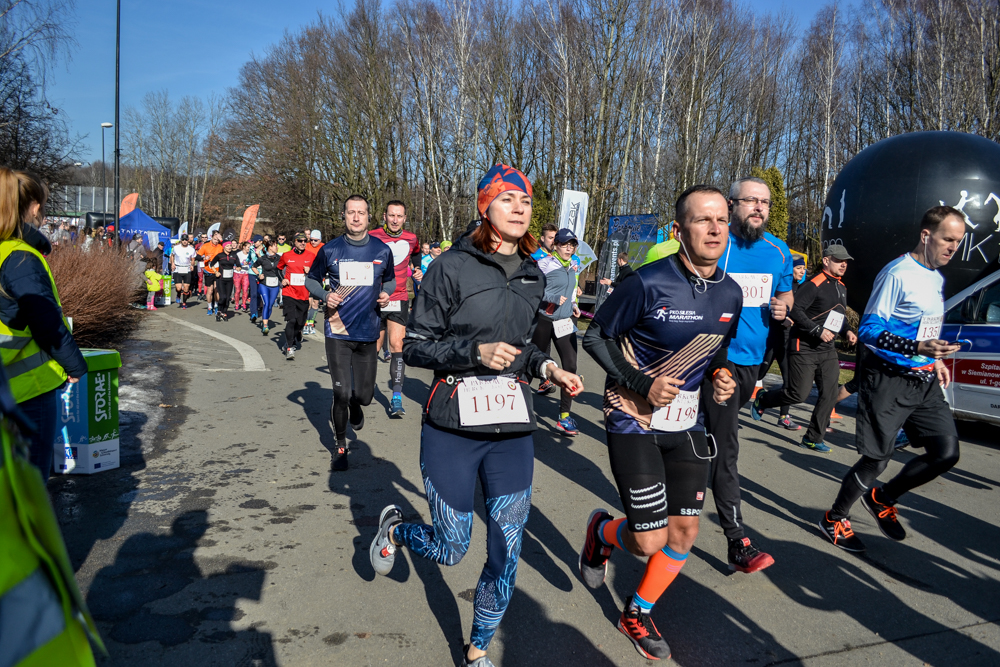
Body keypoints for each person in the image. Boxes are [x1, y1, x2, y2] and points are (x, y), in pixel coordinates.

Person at [368, 165, 583, 667]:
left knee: (507, 547)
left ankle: (477, 648)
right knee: (451, 546)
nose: (519, 208)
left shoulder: (534, 272)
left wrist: (548, 366)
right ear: (485, 206)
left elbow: (525, 347)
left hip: (510, 429)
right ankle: (396, 530)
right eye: (507, 199)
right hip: (453, 425)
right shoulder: (451, 266)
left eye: (525, 201)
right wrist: (475, 354)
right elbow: (415, 347)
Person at [579, 184, 741, 661]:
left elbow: (717, 352)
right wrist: (638, 382)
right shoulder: (647, 283)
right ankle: (602, 533)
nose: (715, 229)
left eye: (721, 221)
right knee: (648, 540)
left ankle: (637, 611)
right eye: (702, 220)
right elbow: (596, 337)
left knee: (685, 532)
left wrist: (723, 375)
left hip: (686, 421)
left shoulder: (730, 291)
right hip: (633, 416)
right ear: (678, 230)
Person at [819, 207, 965, 553]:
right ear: (926, 235)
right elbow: (869, 330)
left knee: (946, 453)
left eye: (958, 242)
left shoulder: (936, 277)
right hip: (888, 379)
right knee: (877, 459)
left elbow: (924, 326)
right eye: (947, 239)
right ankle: (834, 518)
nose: (953, 248)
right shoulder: (898, 273)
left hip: (924, 378)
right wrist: (915, 346)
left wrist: (932, 357)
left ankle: (883, 496)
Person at [698, 176, 794, 574]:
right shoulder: (718, 244)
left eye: (765, 203)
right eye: (750, 201)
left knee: (710, 438)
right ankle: (737, 539)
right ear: (732, 204)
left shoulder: (779, 251)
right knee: (725, 445)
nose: (758, 208)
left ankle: (679, 489)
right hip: (710, 356)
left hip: (753, 360)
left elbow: (786, 293)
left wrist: (783, 308)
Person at [0, 168, 87, 480]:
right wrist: (75, 366)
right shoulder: (20, 258)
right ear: (34, 206)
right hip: (24, 392)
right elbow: (45, 322)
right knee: (27, 487)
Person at [305, 196, 394, 469]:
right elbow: (311, 279)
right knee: (340, 393)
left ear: (369, 217)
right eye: (351, 213)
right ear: (343, 215)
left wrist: (385, 294)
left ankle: (357, 405)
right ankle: (340, 446)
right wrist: (325, 295)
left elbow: (389, 279)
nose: (356, 218)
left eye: (361, 213)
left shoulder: (381, 250)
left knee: (363, 397)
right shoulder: (330, 250)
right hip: (338, 332)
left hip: (368, 331)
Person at [752, 245, 857, 451]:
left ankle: (813, 438)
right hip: (804, 347)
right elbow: (795, 310)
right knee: (798, 394)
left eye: (846, 261)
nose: (843, 264)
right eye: (839, 260)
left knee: (829, 394)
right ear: (826, 261)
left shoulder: (841, 287)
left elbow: (837, 316)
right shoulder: (814, 284)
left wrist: (847, 331)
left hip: (826, 350)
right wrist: (817, 330)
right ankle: (763, 399)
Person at [370, 200, 422, 417]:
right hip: (373, 299)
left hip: (399, 297)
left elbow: (417, 253)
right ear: (384, 216)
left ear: (404, 218)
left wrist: (417, 269)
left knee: (397, 346)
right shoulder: (371, 236)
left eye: (399, 216)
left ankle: (397, 398)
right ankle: (363, 389)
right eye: (391, 215)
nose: (395, 220)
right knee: (373, 347)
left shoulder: (411, 238)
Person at [533, 228, 583, 435]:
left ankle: (564, 417)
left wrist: (573, 304)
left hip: (564, 321)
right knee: (531, 364)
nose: (569, 248)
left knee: (570, 366)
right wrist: (552, 298)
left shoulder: (573, 265)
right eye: (565, 244)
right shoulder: (544, 264)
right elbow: (533, 290)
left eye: (572, 245)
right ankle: (516, 406)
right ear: (556, 246)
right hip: (544, 319)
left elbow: (570, 289)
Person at [752, 254, 808, 429]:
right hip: (773, 340)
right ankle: (732, 407)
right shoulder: (782, 288)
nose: (802, 271)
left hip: (788, 343)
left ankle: (784, 416)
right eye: (799, 268)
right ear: (790, 269)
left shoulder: (803, 288)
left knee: (789, 381)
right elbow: (771, 311)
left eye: (804, 268)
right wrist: (785, 320)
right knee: (757, 375)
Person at [277, 233, 313, 358]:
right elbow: (278, 268)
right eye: (300, 241)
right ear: (294, 242)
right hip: (289, 292)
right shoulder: (287, 256)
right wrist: (283, 279)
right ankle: (289, 346)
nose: (303, 243)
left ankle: (298, 331)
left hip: (303, 294)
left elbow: (319, 273)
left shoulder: (311, 256)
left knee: (300, 322)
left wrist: (311, 271)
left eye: (305, 241)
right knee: (291, 320)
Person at [253, 240, 283, 335]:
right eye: (275, 246)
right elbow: (253, 266)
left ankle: (265, 319)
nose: (277, 247)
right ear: (270, 247)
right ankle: (265, 325)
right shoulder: (263, 258)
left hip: (275, 285)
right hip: (264, 284)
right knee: (266, 303)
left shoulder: (280, 258)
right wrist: (258, 274)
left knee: (270, 305)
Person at [210, 240, 239, 322]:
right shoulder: (220, 255)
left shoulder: (234, 256)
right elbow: (211, 264)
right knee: (223, 297)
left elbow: (239, 265)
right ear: (224, 247)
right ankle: (219, 311)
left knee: (227, 298)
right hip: (221, 279)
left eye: (230, 246)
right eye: (227, 246)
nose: (229, 247)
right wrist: (216, 272)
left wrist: (238, 268)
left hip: (229, 280)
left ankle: (224, 312)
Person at [199, 230, 225, 315]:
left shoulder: (221, 246)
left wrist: (221, 240)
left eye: (217, 240)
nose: (216, 241)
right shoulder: (205, 246)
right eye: (215, 239)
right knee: (209, 291)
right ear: (211, 238)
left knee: (216, 290)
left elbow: (229, 248)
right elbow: (197, 256)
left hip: (218, 271)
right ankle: (209, 306)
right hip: (209, 271)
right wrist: (204, 258)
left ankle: (216, 306)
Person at [170, 234, 197, 309]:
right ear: (181, 240)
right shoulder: (176, 248)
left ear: (188, 240)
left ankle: (184, 302)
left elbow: (193, 259)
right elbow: (172, 255)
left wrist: (192, 265)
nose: (184, 241)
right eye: (183, 240)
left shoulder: (191, 249)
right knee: (178, 288)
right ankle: (178, 294)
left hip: (187, 268)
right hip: (178, 268)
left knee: (186, 288)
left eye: (186, 240)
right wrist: (172, 263)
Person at [234, 241, 251, 312]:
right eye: (248, 247)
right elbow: (234, 264)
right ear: (244, 247)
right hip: (237, 274)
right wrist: (241, 264)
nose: (249, 249)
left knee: (245, 290)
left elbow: (252, 264)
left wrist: (249, 263)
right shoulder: (238, 254)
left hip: (246, 274)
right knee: (237, 290)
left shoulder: (250, 255)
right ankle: (237, 304)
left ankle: (244, 304)